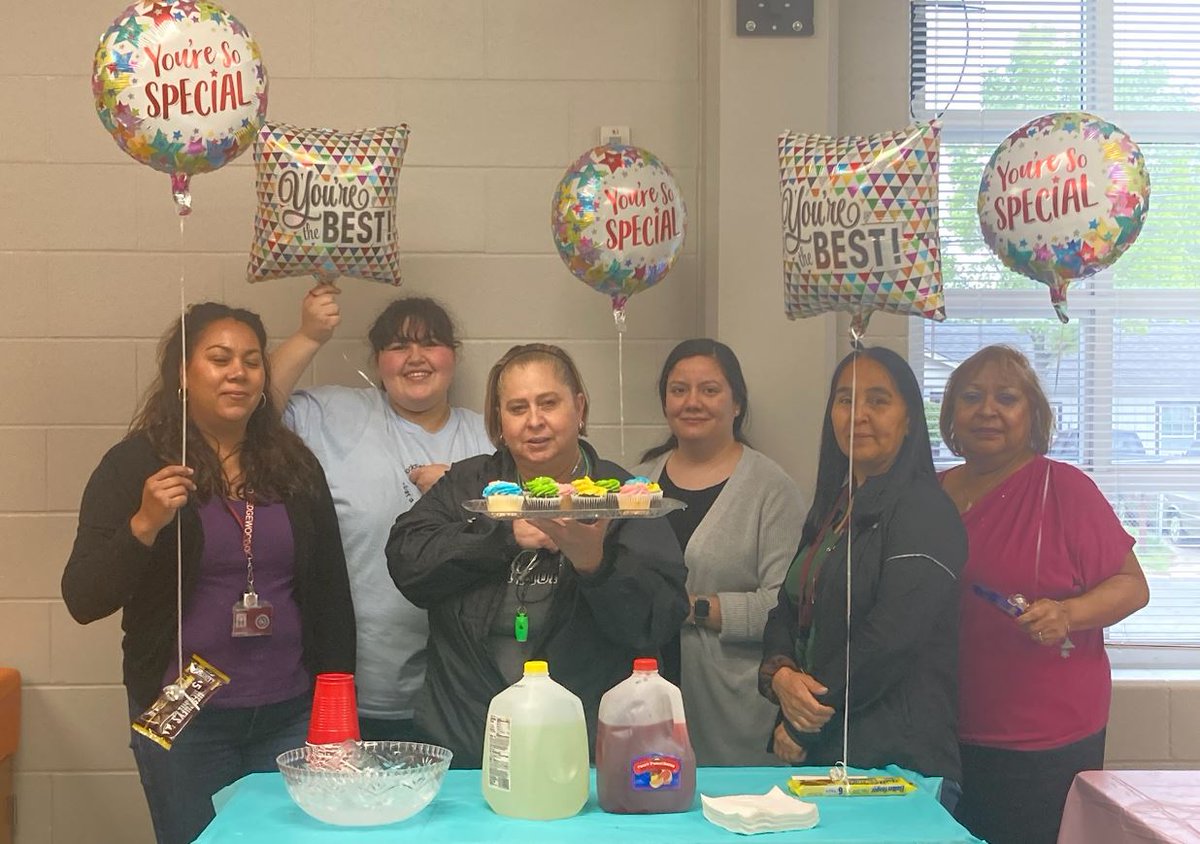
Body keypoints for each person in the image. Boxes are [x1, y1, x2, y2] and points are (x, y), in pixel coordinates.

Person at [61, 303, 355, 844]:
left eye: (251, 362)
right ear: (182, 373)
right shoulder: (135, 464)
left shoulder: (294, 464)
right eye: (219, 359)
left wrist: (338, 703)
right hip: (185, 717)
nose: (237, 373)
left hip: (288, 713)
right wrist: (145, 524)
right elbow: (83, 598)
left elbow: (331, 594)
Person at [386, 342, 689, 767]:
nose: (534, 422)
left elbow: (659, 620)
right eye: (517, 408)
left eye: (549, 403)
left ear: (579, 408)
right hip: (465, 739)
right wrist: (501, 539)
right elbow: (408, 562)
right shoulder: (469, 484)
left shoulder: (620, 497)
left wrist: (594, 564)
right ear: (499, 420)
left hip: (575, 745)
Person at [938, 345, 1149, 844]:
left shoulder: (1066, 490)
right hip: (942, 729)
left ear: (1032, 415)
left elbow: (1133, 586)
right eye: (971, 397)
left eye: (1006, 397)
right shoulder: (927, 492)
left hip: (1042, 739)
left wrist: (1068, 613)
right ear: (950, 416)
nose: (987, 410)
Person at [271, 286, 492, 740]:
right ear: (376, 361)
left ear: (453, 355)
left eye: (430, 343)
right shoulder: (336, 413)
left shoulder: (488, 438)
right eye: (397, 347)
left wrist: (457, 491)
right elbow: (254, 411)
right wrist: (309, 336)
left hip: (462, 693)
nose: (415, 357)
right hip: (352, 685)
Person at [758, 346, 967, 799]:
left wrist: (804, 719)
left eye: (878, 400)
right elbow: (786, 610)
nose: (859, 415)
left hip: (900, 765)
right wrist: (780, 676)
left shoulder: (924, 512)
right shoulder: (834, 507)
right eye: (845, 400)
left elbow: (891, 641)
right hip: (830, 760)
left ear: (909, 418)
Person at [635, 339, 805, 766]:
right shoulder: (636, 484)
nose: (693, 402)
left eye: (709, 390)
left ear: (736, 404)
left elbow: (783, 605)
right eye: (679, 390)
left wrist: (694, 608)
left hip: (733, 706)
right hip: (646, 691)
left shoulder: (772, 489)